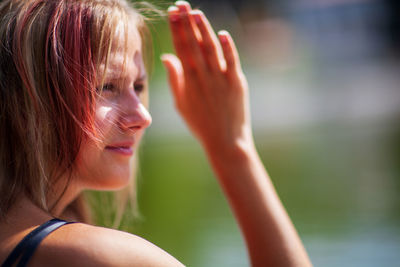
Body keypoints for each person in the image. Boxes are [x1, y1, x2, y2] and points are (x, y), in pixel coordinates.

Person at [0, 0, 312, 266]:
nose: (143, 117)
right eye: (107, 86)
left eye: (138, 86)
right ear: (28, 100)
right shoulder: (104, 256)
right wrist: (233, 151)